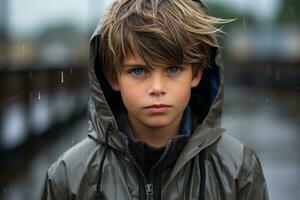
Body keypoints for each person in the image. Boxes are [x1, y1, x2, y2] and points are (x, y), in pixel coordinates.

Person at [42, 0, 269, 199]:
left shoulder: (239, 169)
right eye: (138, 71)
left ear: (197, 73)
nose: (157, 88)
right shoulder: (68, 176)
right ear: (113, 77)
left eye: (173, 69)